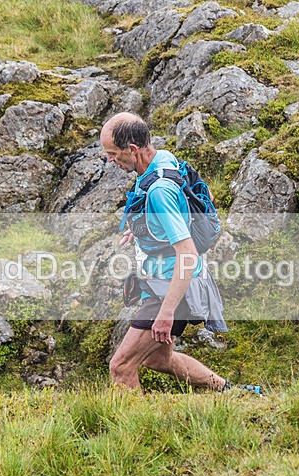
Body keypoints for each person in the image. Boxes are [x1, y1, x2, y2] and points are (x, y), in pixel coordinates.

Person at [100, 112, 257, 394]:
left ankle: (135, 434)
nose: (110, 160)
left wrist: (166, 312)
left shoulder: (159, 190)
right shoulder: (162, 159)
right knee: (160, 359)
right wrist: (144, 229)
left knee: (121, 367)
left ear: (132, 150)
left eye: (112, 154)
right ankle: (232, 392)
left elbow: (188, 254)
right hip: (164, 282)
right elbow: (185, 209)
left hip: (173, 289)